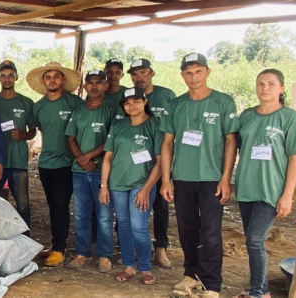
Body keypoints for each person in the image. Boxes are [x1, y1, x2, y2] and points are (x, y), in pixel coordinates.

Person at [160, 53, 240, 298]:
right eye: (188, 72)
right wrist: (166, 179)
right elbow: (167, 144)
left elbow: (231, 140)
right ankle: (191, 275)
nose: (193, 77)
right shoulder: (176, 104)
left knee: (211, 231)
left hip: (212, 179)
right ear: (182, 75)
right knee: (186, 228)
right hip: (183, 177)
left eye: (198, 71)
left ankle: (212, 283)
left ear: (207, 72)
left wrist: (226, 177)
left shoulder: (223, 102)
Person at [233, 69, 296, 298]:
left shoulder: (290, 118)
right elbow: (233, 147)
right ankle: (263, 289)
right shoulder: (246, 116)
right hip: (247, 188)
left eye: (271, 84)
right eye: (260, 84)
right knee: (251, 241)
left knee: (254, 240)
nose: (265, 88)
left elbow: (295, 158)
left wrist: (288, 195)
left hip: (271, 190)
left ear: (281, 88)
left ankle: (258, 292)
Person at [99, 87, 163, 285]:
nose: (131, 106)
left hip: (141, 184)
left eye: (136, 101)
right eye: (127, 103)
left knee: (138, 227)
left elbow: (160, 162)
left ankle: (145, 267)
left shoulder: (155, 125)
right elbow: (108, 157)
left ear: (144, 102)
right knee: (124, 226)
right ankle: (129, 265)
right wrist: (103, 185)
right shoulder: (118, 126)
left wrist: (146, 189)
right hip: (117, 184)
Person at [64, 70, 122, 272]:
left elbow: (112, 140)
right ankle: (82, 253)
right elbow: (70, 137)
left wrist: (88, 157)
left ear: (106, 85)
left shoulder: (113, 109)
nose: (94, 86)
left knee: (104, 214)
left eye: (99, 82)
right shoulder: (79, 110)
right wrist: (81, 158)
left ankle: (105, 256)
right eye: (90, 83)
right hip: (79, 170)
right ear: (85, 87)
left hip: (101, 171)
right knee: (81, 213)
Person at [26, 62, 83, 267]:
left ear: (63, 80)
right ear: (44, 81)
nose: (52, 80)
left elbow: (82, 129)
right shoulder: (38, 106)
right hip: (46, 164)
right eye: (48, 77)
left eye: (56, 76)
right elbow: (39, 131)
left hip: (67, 164)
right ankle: (56, 244)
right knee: (52, 205)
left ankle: (60, 249)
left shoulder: (74, 103)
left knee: (60, 204)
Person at [128, 58, 177, 268]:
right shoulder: (129, 97)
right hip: (135, 163)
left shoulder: (167, 95)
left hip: (161, 159)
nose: (139, 77)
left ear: (152, 73)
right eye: (135, 74)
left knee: (160, 205)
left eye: (143, 72)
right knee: (135, 206)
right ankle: (136, 248)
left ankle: (160, 248)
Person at [0, 60, 36, 234]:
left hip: (18, 161)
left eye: (10, 75)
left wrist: (23, 135)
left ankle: (25, 241)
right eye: (3, 76)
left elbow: (33, 131)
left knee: (23, 204)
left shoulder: (26, 102)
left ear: (16, 77)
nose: (7, 79)